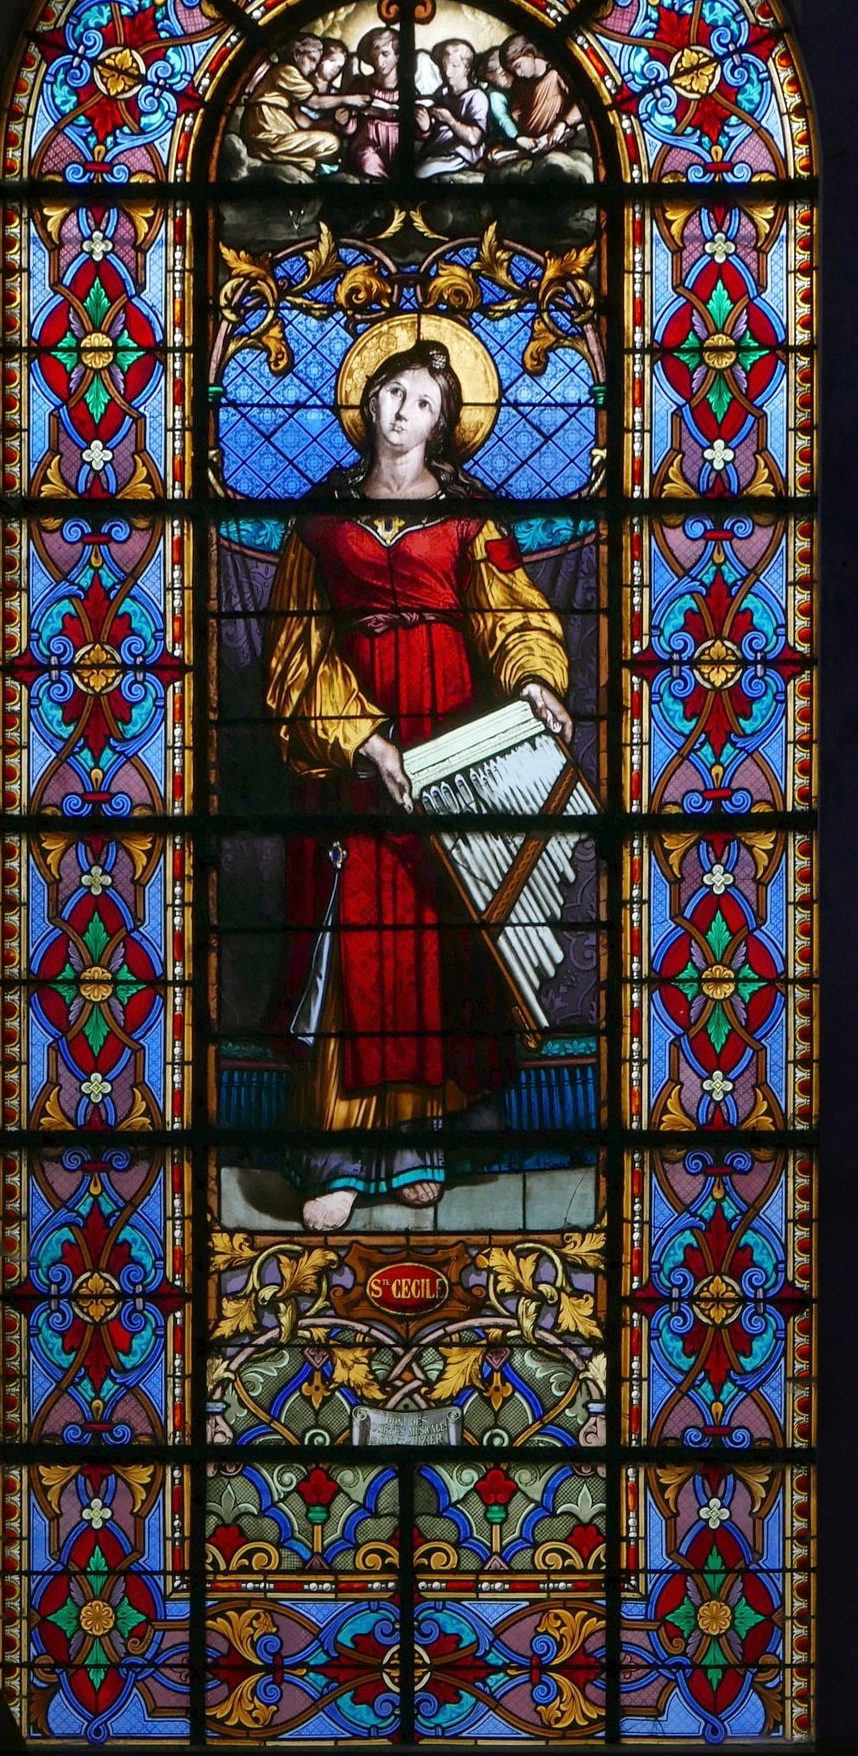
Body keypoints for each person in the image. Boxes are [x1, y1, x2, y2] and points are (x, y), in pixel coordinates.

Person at [263, 338, 573, 1231]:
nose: (403, 412)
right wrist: (361, 738)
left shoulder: (470, 521)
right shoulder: (319, 521)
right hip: (356, 752)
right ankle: (334, 1152)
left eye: (424, 403)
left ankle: (414, 1145)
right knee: (352, 938)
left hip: (447, 740)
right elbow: (294, 648)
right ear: (368, 401)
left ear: (444, 425)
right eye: (393, 393)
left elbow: (510, 615)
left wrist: (534, 681)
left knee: (430, 938)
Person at [240, 34, 360, 177]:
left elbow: (307, 123)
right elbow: (314, 102)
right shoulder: (286, 71)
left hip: (277, 125)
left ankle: (306, 165)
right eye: (312, 59)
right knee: (332, 143)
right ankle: (273, 152)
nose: (314, 67)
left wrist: (336, 123)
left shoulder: (296, 87)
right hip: (265, 125)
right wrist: (350, 99)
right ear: (297, 54)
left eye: (340, 66)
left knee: (312, 159)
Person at [499, 32, 586, 159]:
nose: (518, 73)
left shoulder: (556, 75)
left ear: (530, 54)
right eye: (513, 70)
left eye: (519, 65)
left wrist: (563, 123)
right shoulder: (520, 84)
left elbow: (582, 104)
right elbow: (516, 112)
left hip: (554, 140)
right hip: (530, 145)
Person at [415, 39, 488, 177]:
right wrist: (425, 127)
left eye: (455, 66)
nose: (448, 72)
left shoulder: (476, 97)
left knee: (420, 173)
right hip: (439, 151)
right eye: (444, 65)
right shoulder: (442, 93)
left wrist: (450, 120)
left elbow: (474, 138)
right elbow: (432, 131)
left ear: (467, 68)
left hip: (461, 154)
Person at [339, 26, 401, 178]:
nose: (379, 62)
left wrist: (424, 127)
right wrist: (344, 122)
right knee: (367, 161)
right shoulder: (361, 86)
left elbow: (420, 131)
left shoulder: (409, 90)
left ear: (398, 56)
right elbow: (349, 128)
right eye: (374, 57)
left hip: (400, 149)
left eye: (385, 54)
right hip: (366, 145)